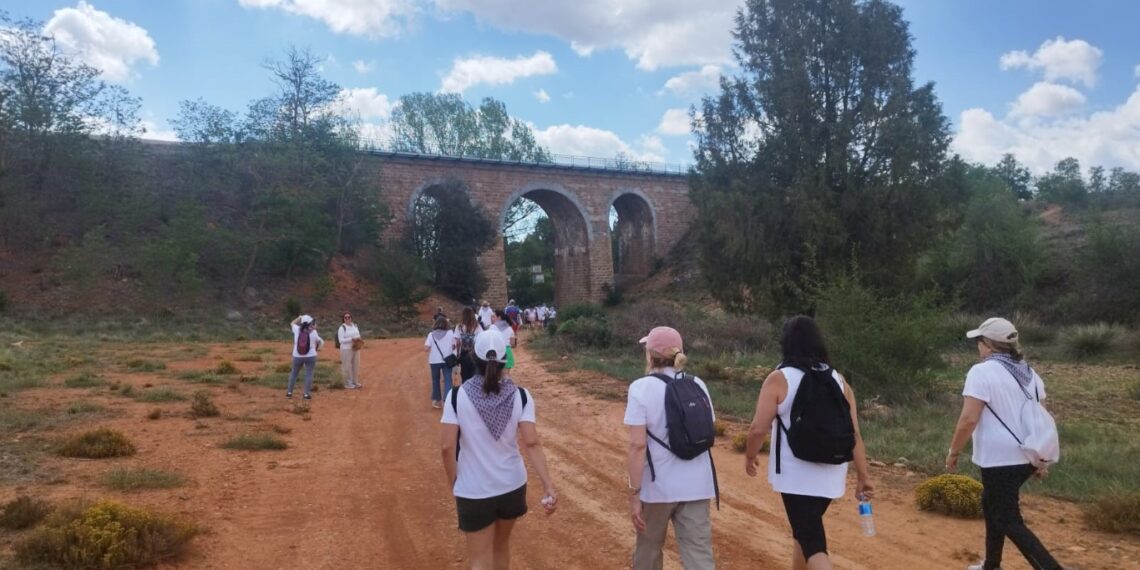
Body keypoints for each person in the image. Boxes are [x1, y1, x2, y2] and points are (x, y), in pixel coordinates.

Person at [744, 316, 873, 570]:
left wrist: (750, 455)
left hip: (796, 477)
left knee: (813, 543)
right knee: (803, 535)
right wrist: (863, 475)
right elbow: (854, 433)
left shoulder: (779, 378)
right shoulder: (839, 380)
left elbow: (758, 428)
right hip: (831, 475)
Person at [946, 317, 1065, 570]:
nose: (978, 346)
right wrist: (1040, 461)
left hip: (999, 459)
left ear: (988, 344)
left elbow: (968, 419)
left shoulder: (981, 372)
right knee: (992, 507)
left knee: (1009, 519)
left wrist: (954, 451)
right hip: (1027, 455)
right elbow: (1041, 418)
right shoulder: (1030, 373)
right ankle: (991, 565)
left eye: (979, 341)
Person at [441, 329, 558, 570]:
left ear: (474, 358)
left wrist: (455, 480)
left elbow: (446, 447)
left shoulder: (455, 397)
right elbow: (532, 443)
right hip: (511, 485)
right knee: (501, 547)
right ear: (505, 358)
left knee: (479, 559)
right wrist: (548, 484)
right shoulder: (522, 396)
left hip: (474, 489)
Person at [624, 326, 716, 570]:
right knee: (699, 556)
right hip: (697, 484)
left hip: (657, 489)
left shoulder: (640, 388)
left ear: (650, 355)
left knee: (649, 552)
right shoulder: (698, 384)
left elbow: (636, 445)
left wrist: (634, 494)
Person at [287, 314, 324, 400]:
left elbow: (292, 323)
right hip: (311, 356)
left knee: (294, 373)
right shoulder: (313, 332)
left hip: (297, 355)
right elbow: (321, 342)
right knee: (309, 374)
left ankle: (289, 392)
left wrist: (299, 317)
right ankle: (306, 394)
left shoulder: (296, 330)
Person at [425, 316, 458, 409]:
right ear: (446, 324)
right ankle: (447, 401)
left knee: (435, 380)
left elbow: (426, 348)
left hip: (434, 361)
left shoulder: (431, 335)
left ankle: (436, 400)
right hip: (447, 360)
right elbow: (454, 346)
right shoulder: (450, 333)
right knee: (448, 379)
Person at [455, 307, 481, 382]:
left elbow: (458, 342)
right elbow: (480, 339)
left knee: (464, 373)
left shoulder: (459, 326)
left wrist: (457, 354)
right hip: (474, 352)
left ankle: (465, 389)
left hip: (463, 353)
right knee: (474, 372)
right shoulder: (477, 326)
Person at [337, 312, 363, 389]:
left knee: (356, 365)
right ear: (343, 319)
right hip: (346, 349)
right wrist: (351, 339)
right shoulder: (342, 328)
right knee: (346, 366)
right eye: (346, 317)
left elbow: (358, 335)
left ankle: (355, 382)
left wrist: (358, 340)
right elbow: (341, 340)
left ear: (351, 318)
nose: (347, 319)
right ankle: (347, 383)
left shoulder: (355, 326)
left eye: (349, 317)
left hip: (355, 348)